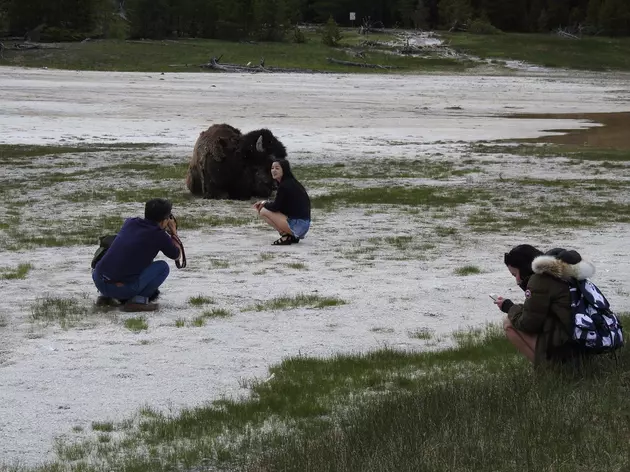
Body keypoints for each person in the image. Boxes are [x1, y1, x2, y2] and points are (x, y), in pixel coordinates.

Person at [494, 244, 596, 367]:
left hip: (567, 350)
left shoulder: (540, 279)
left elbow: (528, 324)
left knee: (508, 323)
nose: (516, 280)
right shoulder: (567, 272)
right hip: (584, 343)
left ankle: (548, 370)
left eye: (515, 274)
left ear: (524, 268)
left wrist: (508, 307)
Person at [92, 198, 182, 312]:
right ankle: (138, 301)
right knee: (163, 267)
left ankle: (106, 296)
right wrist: (174, 232)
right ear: (164, 220)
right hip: (120, 289)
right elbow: (177, 255)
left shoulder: (130, 222)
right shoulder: (159, 235)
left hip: (98, 279)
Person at [253, 159, 311, 245]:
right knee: (266, 208)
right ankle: (290, 236)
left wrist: (263, 203)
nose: (274, 170)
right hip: (303, 225)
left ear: (284, 170)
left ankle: (285, 236)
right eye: (272, 168)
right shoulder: (291, 183)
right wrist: (266, 202)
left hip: (298, 226)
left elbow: (275, 207)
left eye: (277, 168)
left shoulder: (284, 186)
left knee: (263, 211)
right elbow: (281, 205)